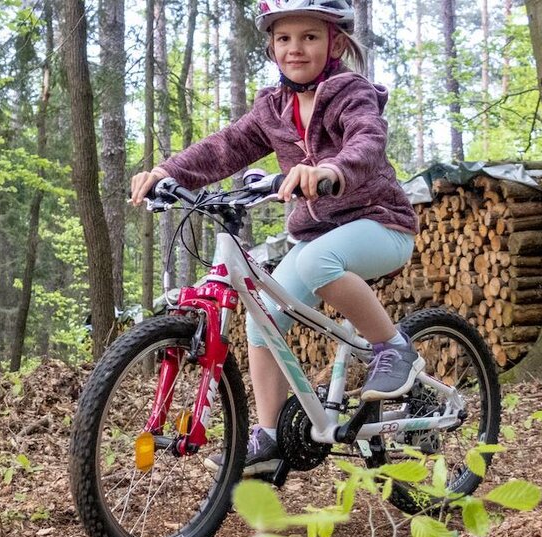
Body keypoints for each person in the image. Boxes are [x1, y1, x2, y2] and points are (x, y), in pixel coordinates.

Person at [128, 0, 422, 477]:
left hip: (380, 224)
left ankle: (394, 349)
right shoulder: (273, 107)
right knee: (260, 320)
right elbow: (226, 146)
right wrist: (167, 170)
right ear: (270, 46)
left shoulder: (351, 93)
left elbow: (367, 143)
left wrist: (330, 168)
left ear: (335, 43)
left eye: (309, 36)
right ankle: (269, 438)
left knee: (316, 264)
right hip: (318, 236)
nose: (295, 48)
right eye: (284, 39)